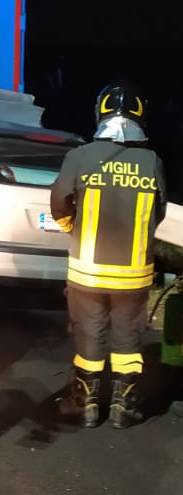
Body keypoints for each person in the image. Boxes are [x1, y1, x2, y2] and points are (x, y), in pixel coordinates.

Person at [50, 82, 167, 429]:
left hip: (88, 271)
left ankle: (84, 404)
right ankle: (123, 406)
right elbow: (158, 212)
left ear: (100, 113)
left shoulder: (79, 157)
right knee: (128, 337)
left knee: (89, 332)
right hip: (134, 274)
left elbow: (59, 203)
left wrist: (72, 228)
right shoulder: (152, 161)